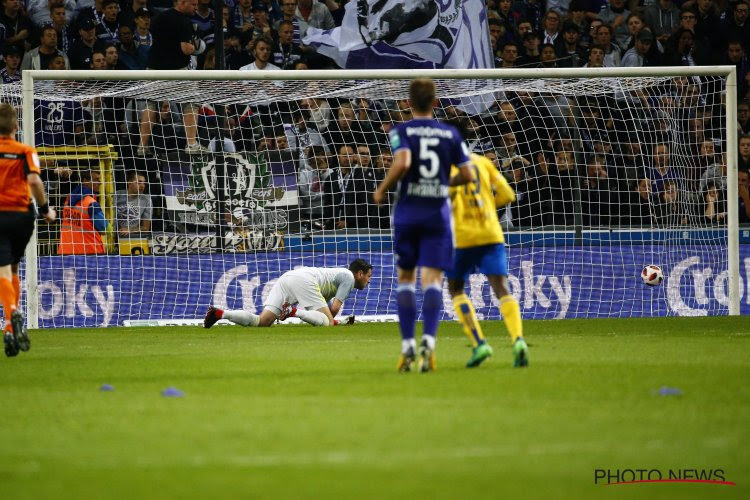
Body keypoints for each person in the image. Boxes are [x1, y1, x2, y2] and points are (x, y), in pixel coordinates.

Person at [373, 78, 473, 373]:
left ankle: (407, 347)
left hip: (408, 212)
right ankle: (429, 341)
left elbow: (402, 162)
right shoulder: (451, 134)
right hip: (437, 214)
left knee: (406, 279)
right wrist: (443, 183)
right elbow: (468, 175)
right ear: (435, 101)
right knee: (432, 281)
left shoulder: (400, 131)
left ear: (408, 101)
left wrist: (382, 189)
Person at [446, 143, 528, 367]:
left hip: (463, 237)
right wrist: (488, 208)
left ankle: (480, 344)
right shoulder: (483, 163)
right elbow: (509, 194)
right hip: (492, 233)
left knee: (455, 288)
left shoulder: (448, 169)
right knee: (501, 288)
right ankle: (518, 340)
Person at [0, 103, 56, 357]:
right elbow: (34, 180)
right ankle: (11, 328)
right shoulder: (25, 151)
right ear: (16, 126)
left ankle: (12, 314)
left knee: (2, 268)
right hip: (23, 216)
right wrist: (45, 209)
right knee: (13, 266)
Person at [204, 259, 373, 328]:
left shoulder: (339, 276)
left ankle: (220, 313)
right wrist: (337, 322)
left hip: (288, 277)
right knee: (327, 323)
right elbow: (333, 311)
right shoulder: (349, 278)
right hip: (305, 280)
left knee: (262, 322)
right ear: (359, 273)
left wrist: (339, 322)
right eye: (368, 276)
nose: (369, 280)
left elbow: (326, 312)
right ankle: (292, 311)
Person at [57, 169, 109, 255]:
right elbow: (105, 229)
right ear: (85, 181)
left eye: (100, 180)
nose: (100, 183)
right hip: (89, 254)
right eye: (96, 179)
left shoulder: (68, 199)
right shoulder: (91, 204)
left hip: (65, 253)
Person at [115, 171, 152, 238]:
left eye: (144, 183)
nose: (142, 185)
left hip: (133, 236)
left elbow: (146, 228)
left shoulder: (146, 199)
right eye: (139, 182)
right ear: (129, 183)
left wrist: (130, 230)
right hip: (113, 235)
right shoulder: (117, 195)